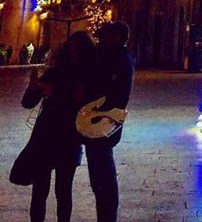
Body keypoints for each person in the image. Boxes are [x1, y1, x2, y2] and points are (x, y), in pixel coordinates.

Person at [21, 31, 97, 222]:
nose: (72, 52)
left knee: (63, 190)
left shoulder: (88, 77)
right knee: (40, 190)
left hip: (69, 138)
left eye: (76, 49)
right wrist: (33, 87)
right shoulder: (54, 73)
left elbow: (83, 103)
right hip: (46, 137)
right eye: (70, 48)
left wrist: (56, 92)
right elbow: (28, 102)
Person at [83, 21, 135, 222]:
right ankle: (104, 213)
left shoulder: (119, 59)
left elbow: (110, 88)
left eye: (107, 34)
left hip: (104, 119)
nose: (102, 38)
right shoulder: (114, 57)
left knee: (103, 173)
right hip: (100, 119)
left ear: (117, 37)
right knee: (99, 172)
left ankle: (107, 215)